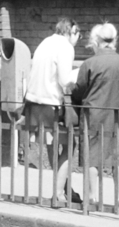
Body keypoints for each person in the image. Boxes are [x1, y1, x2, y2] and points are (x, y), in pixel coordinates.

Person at [72, 22, 119, 211]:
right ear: (115, 40)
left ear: (96, 41)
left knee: (93, 154)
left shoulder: (90, 63)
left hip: (94, 114)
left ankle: (92, 197)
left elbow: (80, 88)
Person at [24, 18, 80, 205]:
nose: (78, 39)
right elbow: (65, 81)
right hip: (51, 105)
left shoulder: (45, 42)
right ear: (71, 31)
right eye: (77, 34)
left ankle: (63, 187)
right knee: (70, 144)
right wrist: (79, 73)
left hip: (34, 102)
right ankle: (58, 192)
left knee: (52, 143)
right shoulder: (65, 47)